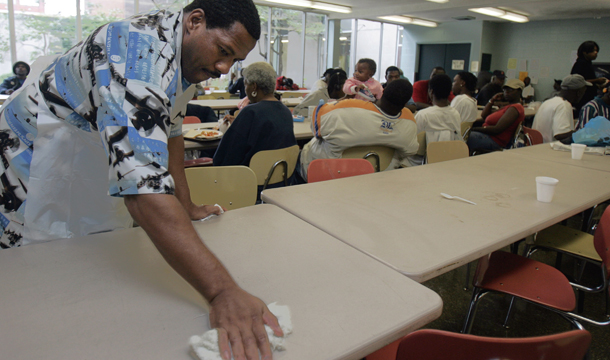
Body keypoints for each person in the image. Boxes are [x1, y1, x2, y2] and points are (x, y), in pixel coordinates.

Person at [0, 1, 284, 359]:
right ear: (195, 21)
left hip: (83, 155)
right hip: (34, 156)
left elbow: (172, 131)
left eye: (233, 60)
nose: (224, 68)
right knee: (37, 282)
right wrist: (222, 291)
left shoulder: (185, 57)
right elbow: (143, 188)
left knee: (95, 273)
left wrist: (187, 204)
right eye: (223, 51)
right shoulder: (133, 51)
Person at [299, 79, 419, 181]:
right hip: (375, 179)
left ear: (383, 90)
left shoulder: (345, 108)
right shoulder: (409, 121)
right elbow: (411, 150)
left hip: (328, 176)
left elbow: (315, 127)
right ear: (406, 102)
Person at [213, 62, 297, 167]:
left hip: (249, 179)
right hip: (279, 177)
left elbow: (224, 157)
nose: (245, 89)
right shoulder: (285, 111)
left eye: (245, 84)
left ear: (254, 87)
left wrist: (235, 127)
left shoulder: (250, 112)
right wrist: (238, 124)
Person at [467, 79, 525, 153]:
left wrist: (473, 129)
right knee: (463, 135)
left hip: (495, 141)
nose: (506, 92)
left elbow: (496, 129)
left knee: (464, 136)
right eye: (505, 89)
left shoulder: (515, 108)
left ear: (519, 91)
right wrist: (492, 100)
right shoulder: (508, 107)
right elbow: (484, 115)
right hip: (488, 136)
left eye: (510, 90)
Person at [532, 74, 589, 143]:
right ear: (579, 93)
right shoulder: (563, 105)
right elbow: (560, 135)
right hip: (550, 149)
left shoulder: (548, 102)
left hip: (537, 147)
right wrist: (584, 132)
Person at [571, 41, 609, 112]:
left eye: (597, 51)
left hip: (588, 97)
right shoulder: (580, 64)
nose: (596, 53)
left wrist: (598, 85)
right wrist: (597, 80)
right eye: (593, 51)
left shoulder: (588, 64)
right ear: (585, 52)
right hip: (582, 99)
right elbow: (578, 81)